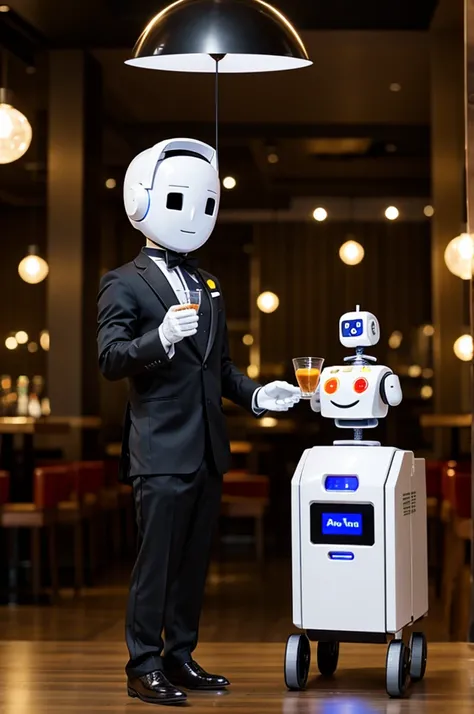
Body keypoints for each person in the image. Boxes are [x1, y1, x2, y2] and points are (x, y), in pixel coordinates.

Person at [97, 138, 301, 706]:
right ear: (144, 202)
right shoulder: (124, 281)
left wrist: (261, 395)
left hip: (208, 446)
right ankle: (142, 665)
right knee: (155, 561)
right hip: (159, 447)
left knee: (192, 562)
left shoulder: (209, 284)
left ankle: (179, 654)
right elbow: (111, 358)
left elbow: (222, 368)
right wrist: (158, 340)